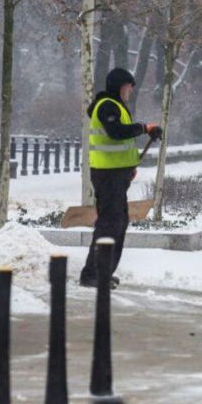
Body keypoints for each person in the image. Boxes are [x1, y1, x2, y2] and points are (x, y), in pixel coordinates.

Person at [79, 68, 162, 289]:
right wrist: (144, 128)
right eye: (128, 87)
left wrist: (128, 167)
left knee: (118, 222)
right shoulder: (107, 105)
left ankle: (102, 272)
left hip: (115, 174)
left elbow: (120, 143)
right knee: (109, 223)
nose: (130, 91)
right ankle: (91, 274)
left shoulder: (116, 106)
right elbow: (116, 132)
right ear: (119, 86)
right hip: (107, 176)